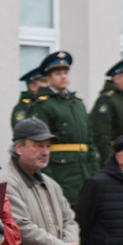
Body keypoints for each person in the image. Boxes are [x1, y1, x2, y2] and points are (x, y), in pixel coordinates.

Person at [27, 51, 100, 207]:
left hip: (84, 171)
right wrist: (46, 178)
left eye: (66, 72)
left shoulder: (78, 104)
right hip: (61, 172)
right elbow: (38, 145)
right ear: (49, 78)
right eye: (58, 73)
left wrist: (95, 171)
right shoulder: (43, 105)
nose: (63, 77)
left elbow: (89, 141)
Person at [91, 58, 123, 163]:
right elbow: (101, 135)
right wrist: (111, 160)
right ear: (116, 79)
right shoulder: (107, 99)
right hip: (118, 154)